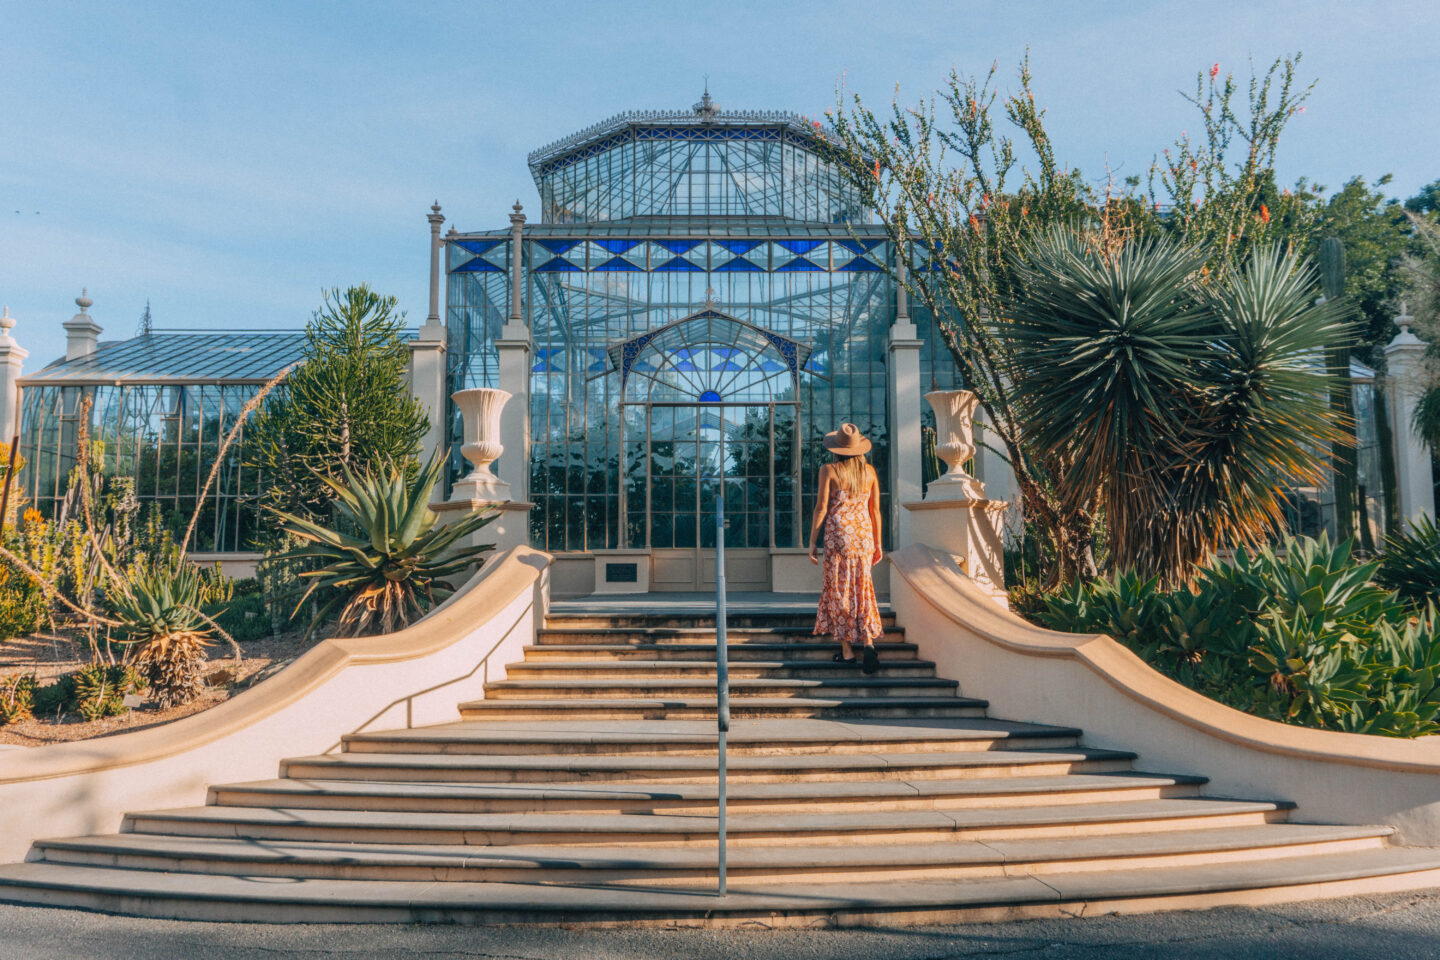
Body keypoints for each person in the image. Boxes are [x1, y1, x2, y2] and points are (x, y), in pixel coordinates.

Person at [808, 422, 884, 674]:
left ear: (836, 449)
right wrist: (878, 543)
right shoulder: (870, 472)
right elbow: (875, 511)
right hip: (864, 536)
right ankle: (868, 643)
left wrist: (812, 541)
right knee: (861, 589)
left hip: (838, 536)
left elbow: (821, 508)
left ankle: (848, 651)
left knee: (839, 590)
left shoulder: (829, 470)